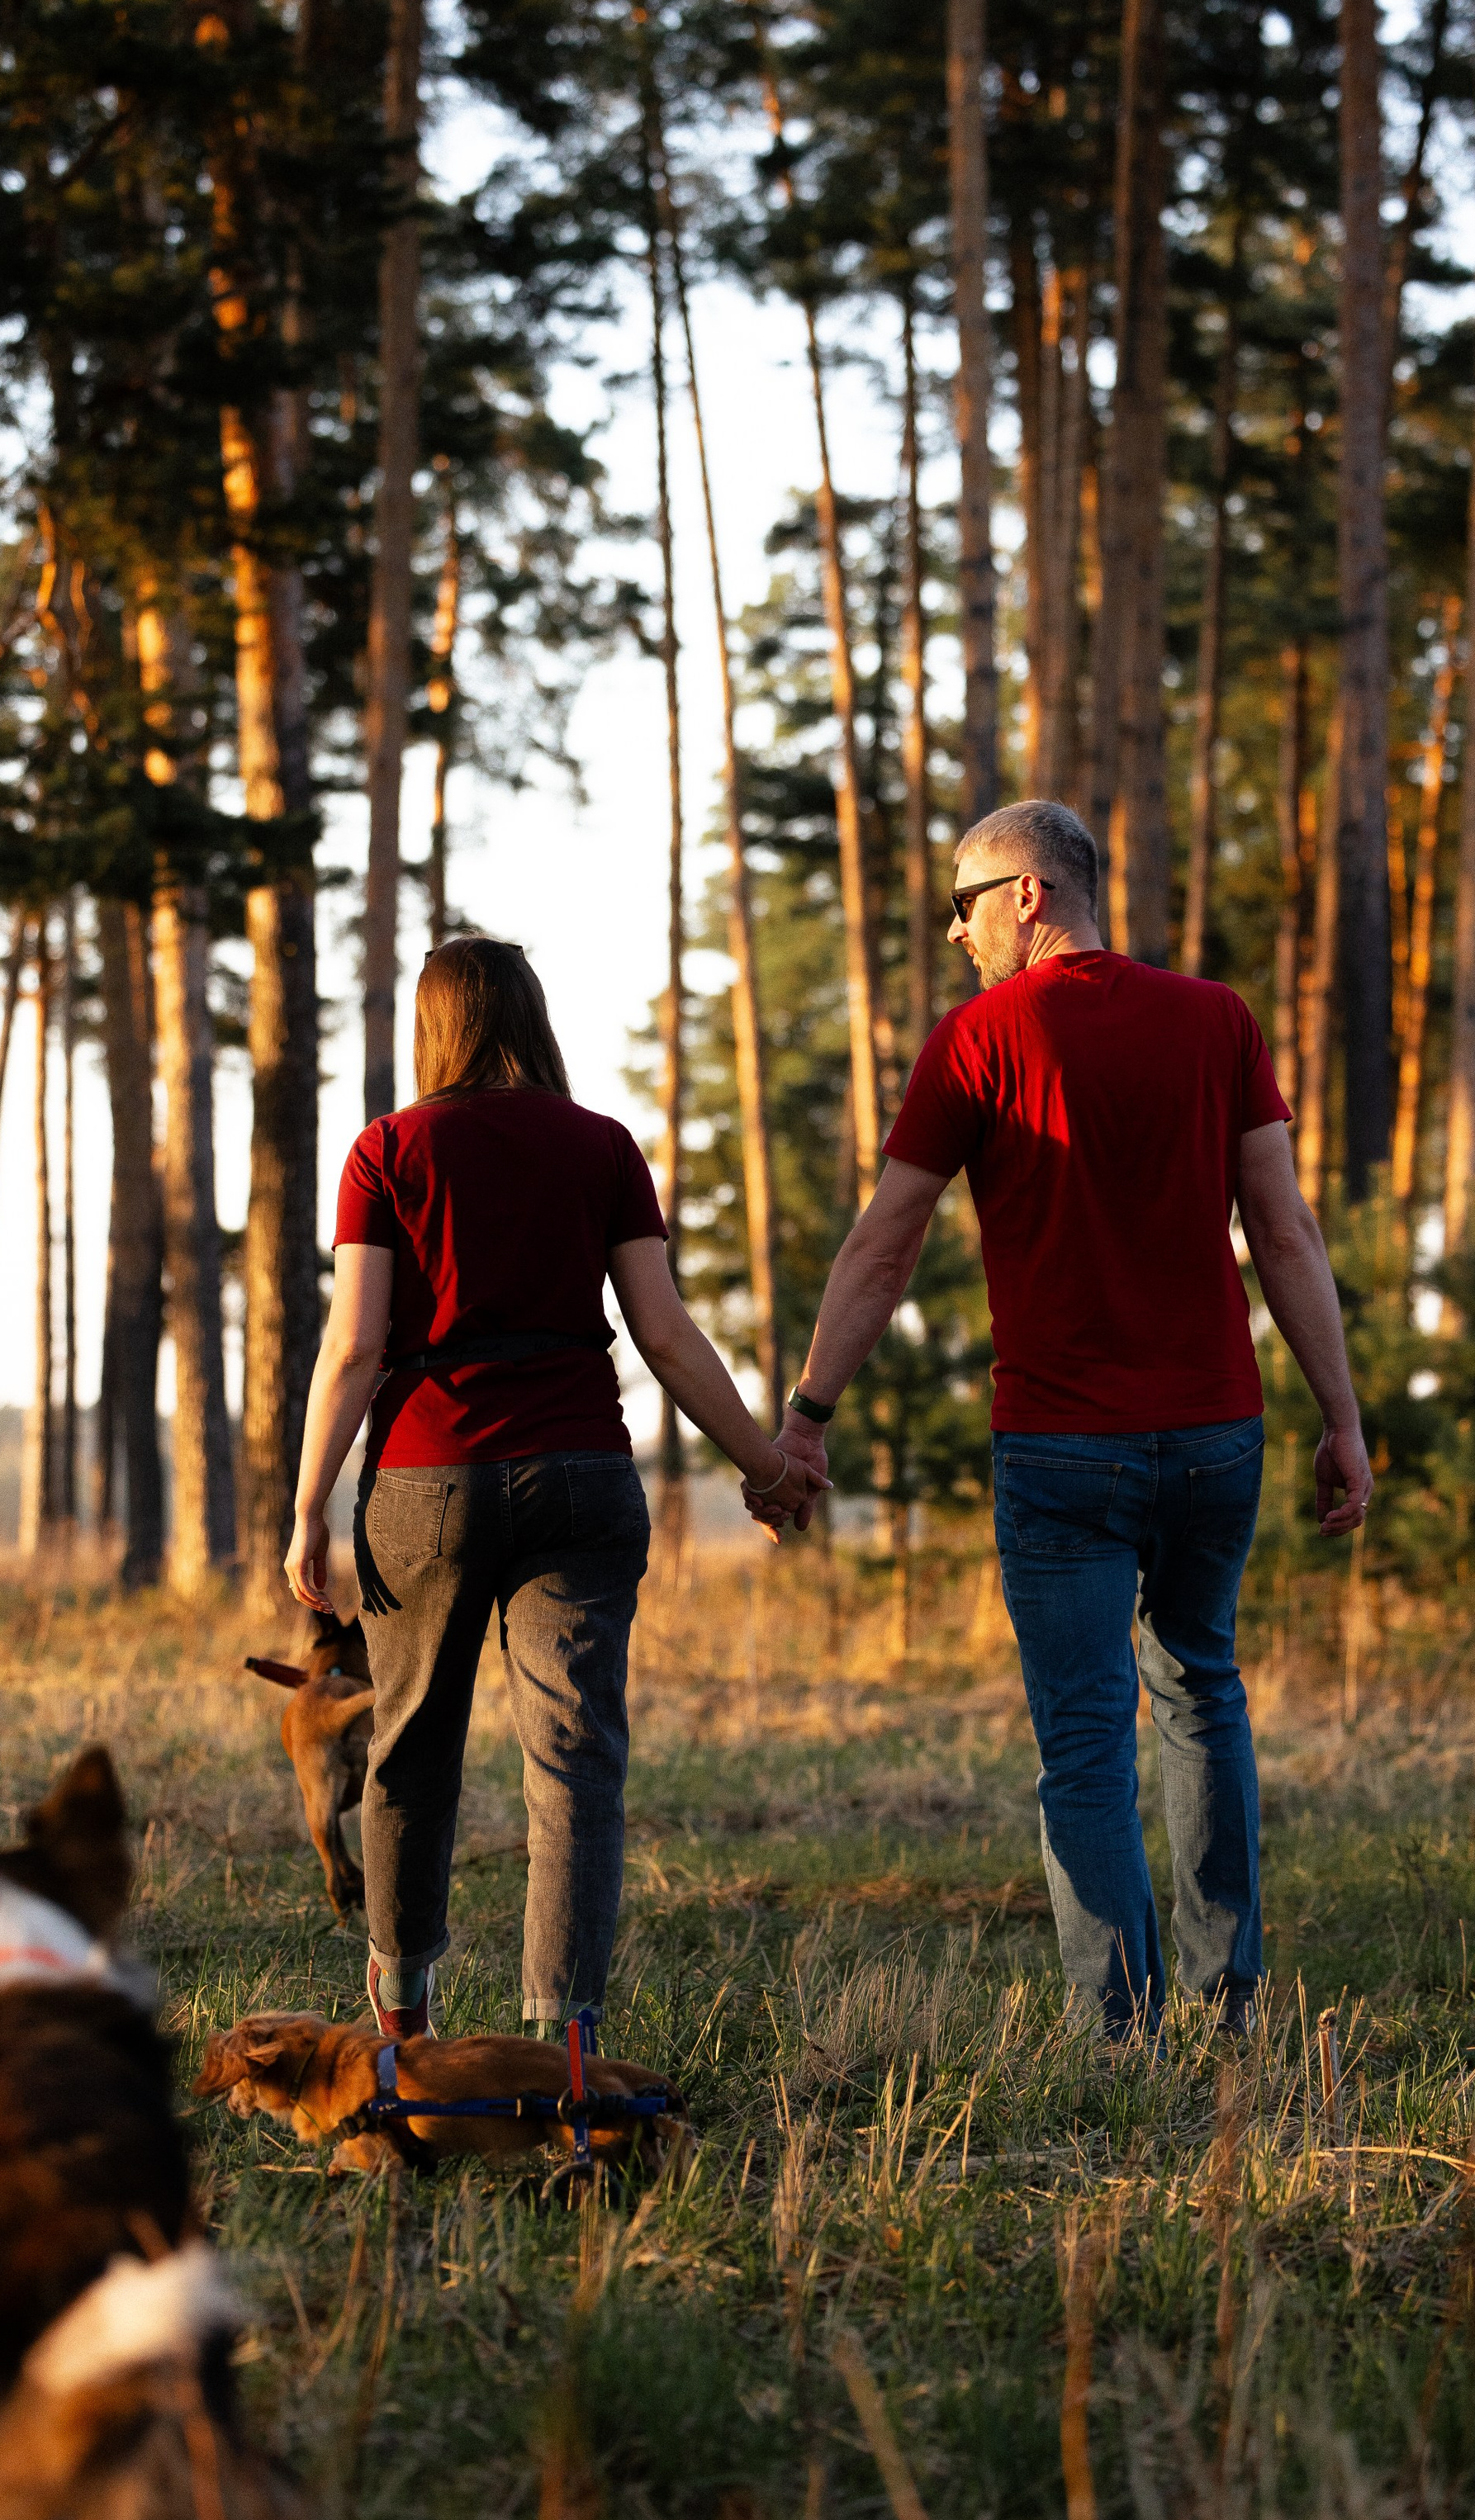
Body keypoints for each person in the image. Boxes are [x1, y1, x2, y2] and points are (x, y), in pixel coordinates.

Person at [750, 799, 1372, 2038]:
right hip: (1215, 1432)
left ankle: (1121, 2027)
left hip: (1061, 1446)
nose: (959, 932)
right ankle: (1230, 2000)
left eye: (967, 904)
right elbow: (1285, 1231)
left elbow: (884, 1245)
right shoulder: (1219, 1022)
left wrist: (808, 1413)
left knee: (1086, 1730)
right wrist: (1340, 1418)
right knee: (1204, 1691)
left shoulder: (977, 1039)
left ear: (1029, 894)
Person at [284, 935, 822, 2044]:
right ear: (532, 1019)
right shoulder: (604, 1147)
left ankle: (402, 2039)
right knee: (575, 1763)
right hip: (580, 1474)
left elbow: (353, 1347)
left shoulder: (385, 1152)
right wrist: (765, 1468)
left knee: (411, 1750)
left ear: (435, 1027)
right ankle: (562, 2059)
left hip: (425, 1479)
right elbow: (664, 1334)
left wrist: (307, 1507)